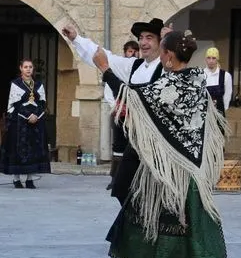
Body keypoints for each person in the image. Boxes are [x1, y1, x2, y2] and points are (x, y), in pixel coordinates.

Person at [91, 30, 229, 258]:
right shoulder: (196, 81)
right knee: (173, 230)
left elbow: (133, 99)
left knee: (167, 228)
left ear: (168, 56)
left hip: (172, 175)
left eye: (162, 50)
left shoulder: (170, 86)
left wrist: (105, 69)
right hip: (185, 172)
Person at [63, 18, 167, 204]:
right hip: (135, 142)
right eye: (141, 38)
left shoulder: (166, 69)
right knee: (122, 188)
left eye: (149, 38)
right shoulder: (135, 66)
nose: (143, 43)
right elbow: (104, 57)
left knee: (152, 194)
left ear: (160, 42)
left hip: (156, 145)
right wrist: (76, 38)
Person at [0, 58, 52, 189]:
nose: (28, 69)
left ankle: (30, 179)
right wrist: (28, 115)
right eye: (25, 67)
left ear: (33, 69)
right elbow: (15, 104)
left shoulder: (38, 85)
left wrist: (36, 115)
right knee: (17, 150)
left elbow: (42, 103)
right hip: (19, 122)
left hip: (36, 122)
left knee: (33, 150)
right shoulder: (15, 84)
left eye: (30, 67)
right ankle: (16, 179)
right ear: (21, 68)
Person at [104, 40, 140, 190]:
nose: (133, 54)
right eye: (130, 51)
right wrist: (118, 107)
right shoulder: (117, 70)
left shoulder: (140, 70)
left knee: (135, 146)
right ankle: (115, 179)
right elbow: (109, 91)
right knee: (118, 146)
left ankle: (133, 180)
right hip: (119, 114)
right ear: (125, 53)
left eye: (135, 51)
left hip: (136, 116)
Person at [203, 47, 233, 117]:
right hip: (203, 113)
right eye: (209, 58)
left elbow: (228, 94)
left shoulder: (225, 75)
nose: (211, 61)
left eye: (214, 58)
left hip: (219, 113)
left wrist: (223, 109)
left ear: (217, 59)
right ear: (205, 59)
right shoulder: (201, 75)